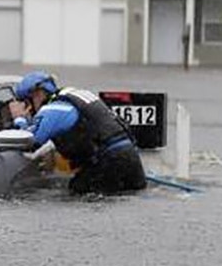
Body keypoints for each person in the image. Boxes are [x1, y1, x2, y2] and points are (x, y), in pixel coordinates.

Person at [8, 71, 146, 195]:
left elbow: (30, 142)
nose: (28, 108)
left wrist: (19, 118)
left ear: (37, 94)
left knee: (76, 191)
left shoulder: (54, 109)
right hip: (130, 156)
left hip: (109, 161)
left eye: (26, 102)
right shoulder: (76, 95)